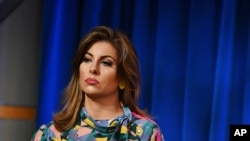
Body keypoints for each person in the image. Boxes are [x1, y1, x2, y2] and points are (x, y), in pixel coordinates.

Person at [32, 26, 164, 141]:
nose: (93, 68)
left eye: (106, 62)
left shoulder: (145, 132)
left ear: (123, 78)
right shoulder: (49, 134)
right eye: (87, 59)